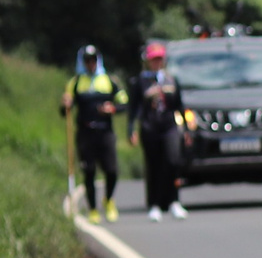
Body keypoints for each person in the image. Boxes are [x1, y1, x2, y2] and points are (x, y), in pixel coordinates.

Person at [60, 46, 125, 221]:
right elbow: (64, 110)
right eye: (87, 60)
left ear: (98, 60)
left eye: (93, 60)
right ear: (83, 62)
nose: (91, 64)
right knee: (89, 171)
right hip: (85, 132)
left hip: (105, 131)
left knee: (112, 170)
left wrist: (113, 108)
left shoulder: (109, 81)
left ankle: (109, 200)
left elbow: (123, 103)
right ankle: (93, 209)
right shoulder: (75, 82)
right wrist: (65, 104)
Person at [131, 42, 188, 220]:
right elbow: (134, 107)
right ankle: (154, 204)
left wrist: (185, 129)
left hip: (169, 126)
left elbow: (179, 105)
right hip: (150, 127)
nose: (156, 62)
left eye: (159, 59)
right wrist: (131, 129)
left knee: (172, 161)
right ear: (148, 61)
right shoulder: (140, 81)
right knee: (153, 165)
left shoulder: (171, 79)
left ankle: (173, 201)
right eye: (153, 59)